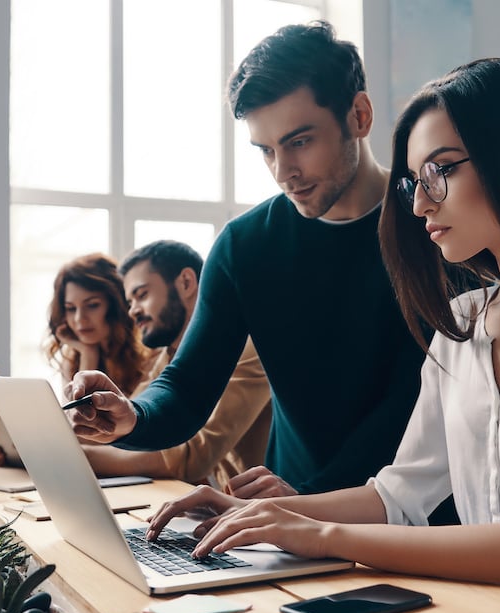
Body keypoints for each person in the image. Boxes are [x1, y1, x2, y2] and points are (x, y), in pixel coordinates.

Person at [139, 58, 500, 613]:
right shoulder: (464, 321)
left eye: (442, 172)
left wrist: (319, 535)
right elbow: (398, 494)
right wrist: (263, 518)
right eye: (414, 181)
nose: (418, 205)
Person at [68, 22, 449, 513]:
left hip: (415, 523)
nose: (282, 170)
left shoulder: (436, 227)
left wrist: (312, 501)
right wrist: (131, 416)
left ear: (359, 115)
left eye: (300, 142)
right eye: (266, 150)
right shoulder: (244, 246)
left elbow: (418, 404)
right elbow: (188, 385)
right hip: (282, 518)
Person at [0, 240, 273, 492]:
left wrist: (49, 456)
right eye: (130, 300)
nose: (133, 309)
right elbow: (118, 432)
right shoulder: (166, 359)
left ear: (186, 283)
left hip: (268, 511)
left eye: (142, 294)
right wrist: (25, 442)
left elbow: (190, 458)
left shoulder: (243, 350)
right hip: (222, 504)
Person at [45, 252, 150, 397]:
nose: (79, 319)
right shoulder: (72, 361)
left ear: (116, 305)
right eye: (71, 308)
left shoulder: (149, 359)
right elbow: (76, 419)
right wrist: (88, 354)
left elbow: (133, 417)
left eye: (92, 305)